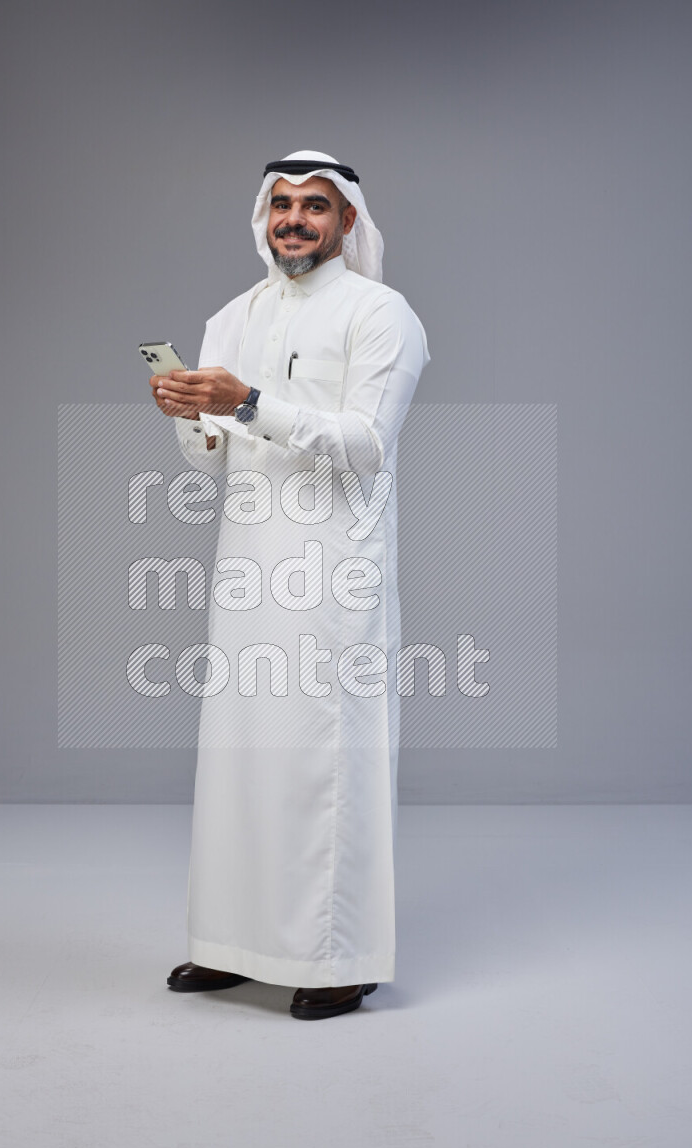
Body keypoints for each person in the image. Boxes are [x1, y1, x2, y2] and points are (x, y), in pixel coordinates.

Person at [150, 150, 429, 1020]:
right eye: (282, 205)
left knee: (323, 761)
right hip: (247, 572)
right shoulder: (232, 316)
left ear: (347, 220)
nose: (295, 220)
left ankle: (339, 957)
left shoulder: (381, 313)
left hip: (333, 575)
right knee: (239, 759)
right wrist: (190, 416)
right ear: (263, 218)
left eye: (314, 206)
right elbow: (214, 459)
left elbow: (367, 444)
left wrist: (246, 401)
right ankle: (232, 944)